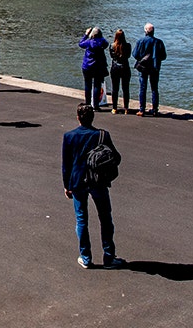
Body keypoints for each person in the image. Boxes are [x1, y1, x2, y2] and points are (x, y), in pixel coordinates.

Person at [61, 103, 122, 269]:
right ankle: (109, 257)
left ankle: (85, 257)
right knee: (105, 219)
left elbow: (66, 165)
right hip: (98, 181)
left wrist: (67, 185)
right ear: (92, 117)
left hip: (78, 181)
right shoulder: (102, 135)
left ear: (78, 117)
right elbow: (116, 157)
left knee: (82, 220)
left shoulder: (69, 136)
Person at [133, 23, 167, 116]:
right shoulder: (159, 42)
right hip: (154, 68)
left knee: (142, 88)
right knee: (154, 89)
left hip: (143, 68)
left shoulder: (140, 41)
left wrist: (142, 58)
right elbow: (164, 56)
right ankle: (155, 109)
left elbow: (135, 54)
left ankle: (142, 109)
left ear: (145, 31)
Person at [78, 27, 109, 110]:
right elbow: (107, 44)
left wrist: (86, 34)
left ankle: (88, 103)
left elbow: (80, 44)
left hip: (87, 66)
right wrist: (100, 36)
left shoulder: (88, 42)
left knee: (87, 85)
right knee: (97, 85)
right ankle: (96, 105)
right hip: (98, 66)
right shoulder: (102, 42)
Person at [108, 30, 132, 114]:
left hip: (115, 67)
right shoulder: (128, 45)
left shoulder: (112, 46)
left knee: (115, 88)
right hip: (125, 67)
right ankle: (126, 108)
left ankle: (114, 108)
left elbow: (111, 56)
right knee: (125, 88)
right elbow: (128, 56)